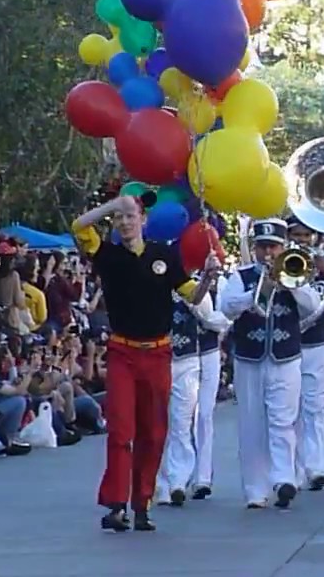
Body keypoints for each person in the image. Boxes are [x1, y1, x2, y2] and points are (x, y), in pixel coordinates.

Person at [72, 195, 220, 532]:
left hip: (158, 353)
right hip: (123, 352)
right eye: (119, 218)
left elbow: (193, 296)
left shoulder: (163, 255)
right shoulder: (106, 254)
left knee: (153, 433)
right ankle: (116, 504)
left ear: (143, 219)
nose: (125, 223)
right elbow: (78, 226)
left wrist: (209, 277)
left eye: (131, 216)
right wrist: (114, 205)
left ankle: (143, 503)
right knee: (122, 430)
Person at [217, 218, 324, 510]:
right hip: (249, 358)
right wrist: (256, 293)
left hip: (286, 357)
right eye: (263, 247)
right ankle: (255, 489)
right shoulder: (241, 277)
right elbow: (226, 308)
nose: (268, 254)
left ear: (282, 247)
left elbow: (313, 307)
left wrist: (291, 285)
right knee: (252, 423)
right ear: (254, 248)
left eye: (273, 247)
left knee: (283, 420)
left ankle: (284, 478)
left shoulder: (295, 271)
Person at [156, 261, 230, 506]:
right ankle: (167, 483)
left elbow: (220, 321)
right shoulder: (161, 278)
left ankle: (197, 477)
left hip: (202, 353)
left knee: (199, 416)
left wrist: (196, 299)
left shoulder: (219, 283)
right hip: (168, 355)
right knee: (167, 420)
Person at [286, 214, 324, 493]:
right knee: (289, 412)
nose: (302, 240)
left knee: (314, 408)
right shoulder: (279, 263)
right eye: (296, 235)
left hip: (317, 344)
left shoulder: (322, 263)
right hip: (288, 347)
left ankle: (317, 467)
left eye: (306, 236)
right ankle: (292, 471)